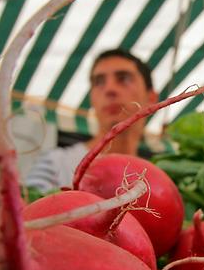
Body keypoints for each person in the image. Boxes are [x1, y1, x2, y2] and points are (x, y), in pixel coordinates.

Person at [25, 48, 165, 193]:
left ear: (151, 99)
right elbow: (28, 210)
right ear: (92, 99)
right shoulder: (57, 164)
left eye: (124, 78)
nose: (109, 89)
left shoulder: (160, 180)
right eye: (99, 82)